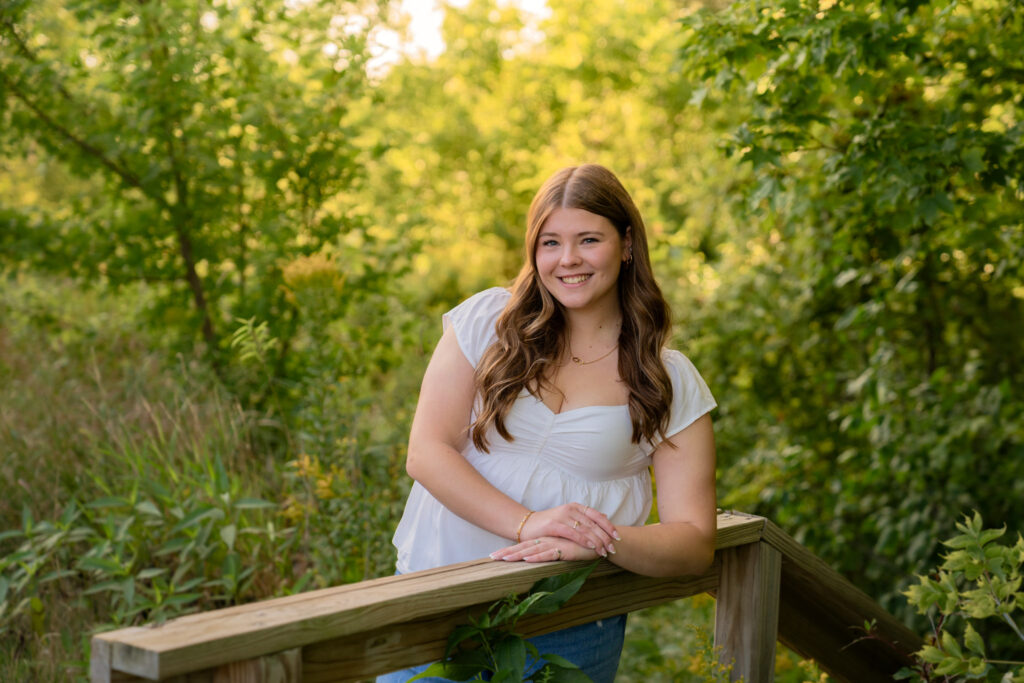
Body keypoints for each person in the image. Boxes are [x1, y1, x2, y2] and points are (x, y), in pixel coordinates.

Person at [378, 164, 717, 683]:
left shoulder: (665, 377)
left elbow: (694, 542)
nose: (568, 260)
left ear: (626, 245)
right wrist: (526, 523)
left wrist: (601, 541)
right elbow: (426, 451)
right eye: (550, 243)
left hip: (570, 622)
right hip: (438, 600)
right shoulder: (488, 324)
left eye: (588, 239)